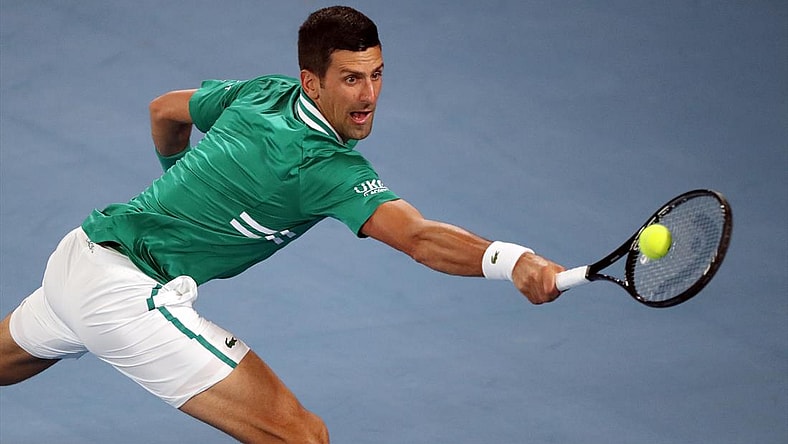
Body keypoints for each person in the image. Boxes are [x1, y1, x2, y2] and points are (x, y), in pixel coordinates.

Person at [0, 6, 563, 443]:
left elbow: (163, 110)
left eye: (377, 75)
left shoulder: (263, 93)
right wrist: (514, 261)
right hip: (126, 297)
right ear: (312, 81)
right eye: (350, 79)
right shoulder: (328, 167)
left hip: (78, 258)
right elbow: (417, 238)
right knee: (301, 435)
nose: (368, 97)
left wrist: (178, 175)